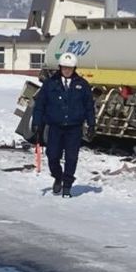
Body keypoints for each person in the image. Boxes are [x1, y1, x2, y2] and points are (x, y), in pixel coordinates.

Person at [30, 52, 96, 198]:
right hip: (56, 127)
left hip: (74, 127)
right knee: (52, 156)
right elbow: (40, 105)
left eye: (70, 68)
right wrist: (36, 123)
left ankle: (67, 185)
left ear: (74, 68)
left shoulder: (82, 85)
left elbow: (89, 106)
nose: (67, 70)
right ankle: (57, 176)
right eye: (64, 67)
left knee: (71, 158)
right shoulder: (50, 84)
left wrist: (91, 124)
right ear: (60, 67)